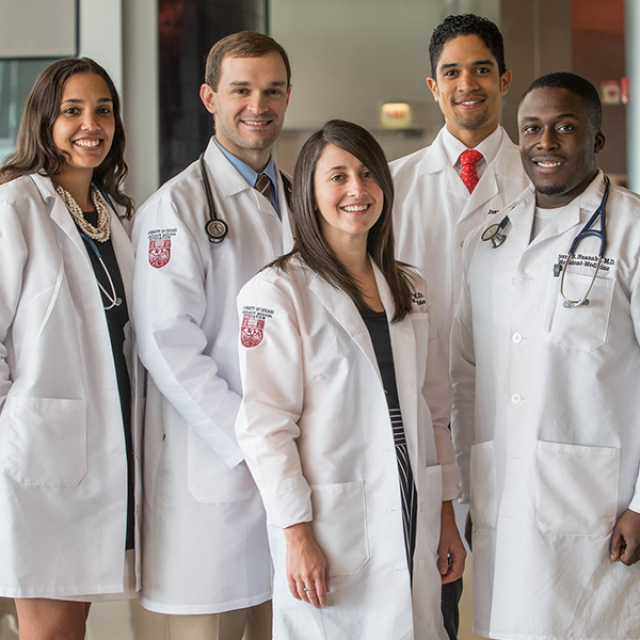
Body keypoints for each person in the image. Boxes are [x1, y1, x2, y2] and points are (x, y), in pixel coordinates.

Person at [235, 119, 465, 640]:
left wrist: (446, 509)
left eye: (366, 173)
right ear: (311, 195)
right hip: (333, 521)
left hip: (415, 507)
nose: (356, 190)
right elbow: (266, 426)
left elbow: (434, 409)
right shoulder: (275, 292)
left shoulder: (409, 287)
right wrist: (295, 534)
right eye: (337, 177)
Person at [450, 72, 640, 639]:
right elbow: (465, 373)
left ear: (597, 140)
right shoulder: (488, 236)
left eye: (565, 128)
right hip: (501, 497)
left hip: (599, 512)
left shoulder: (630, 230)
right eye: (532, 128)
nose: (545, 142)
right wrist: (460, 488)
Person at [132, 31, 292, 640]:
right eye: (241, 90)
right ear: (209, 97)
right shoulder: (172, 211)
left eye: (272, 90)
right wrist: (250, 439)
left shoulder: (300, 200)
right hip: (219, 471)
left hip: (288, 474)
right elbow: (167, 346)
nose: (259, 104)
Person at [390, 16, 530, 637]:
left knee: (521, 597)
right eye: (452, 72)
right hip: (420, 420)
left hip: (515, 414)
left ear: (504, 79)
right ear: (432, 84)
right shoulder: (389, 187)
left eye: (480, 70)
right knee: (432, 596)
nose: (466, 84)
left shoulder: (542, 181)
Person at [0, 58, 142, 640]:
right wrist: (13, 421)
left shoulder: (114, 213)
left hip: (104, 450)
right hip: (40, 455)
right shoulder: (17, 205)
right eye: (73, 111)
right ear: (44, 121)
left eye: (103, 110)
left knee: (72, 627)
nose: (92, 124)